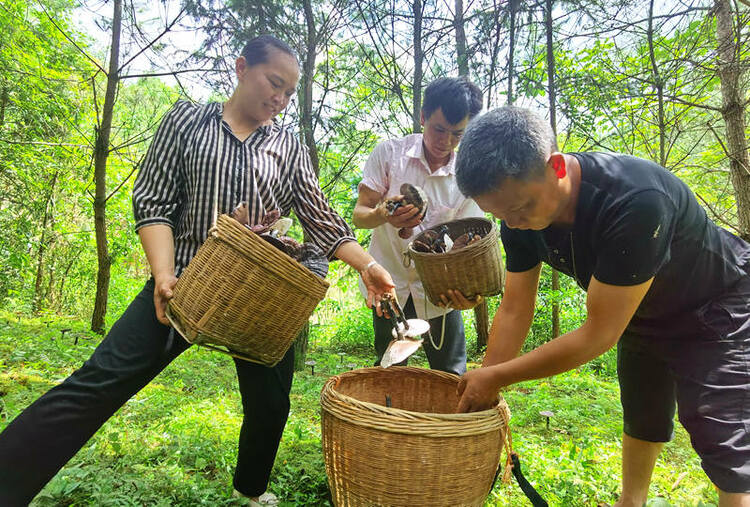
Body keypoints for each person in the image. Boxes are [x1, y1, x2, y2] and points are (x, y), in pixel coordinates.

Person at [0, 35, 395, 507]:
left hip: (259, 295)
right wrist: (163, 274)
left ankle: (251, 489)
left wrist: (368, 265)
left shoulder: (287, 147)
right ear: (242, 67)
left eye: (290, 92)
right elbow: (153, 201)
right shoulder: (187, 121)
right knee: (96, 384)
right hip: (184, 284)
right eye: (275, 83)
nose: (281, 99)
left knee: (271, 404)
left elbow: (322, 218)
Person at [453, 106, 750, 507]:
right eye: (500, 214)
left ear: (556, 166)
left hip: (716, 302)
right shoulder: (515, 218)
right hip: (641, 308)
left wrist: (497, 378)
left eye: (521, 208)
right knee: (642, 408)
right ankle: (631, 502)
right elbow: (514, 308)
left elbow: (597, 334)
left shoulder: (635, 200)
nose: (514, 222)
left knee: (721, 430)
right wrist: (486, 381)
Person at [353, 77, 485, 376]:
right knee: (390, 369)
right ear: (423, 117)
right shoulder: (390, 154)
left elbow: (470, 242)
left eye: (457, 134)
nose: (446, 141)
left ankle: (448, 424)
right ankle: (393, 421)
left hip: (440, 291)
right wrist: (383, 214)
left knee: (452, 372)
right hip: (389, 286)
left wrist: (470, 289)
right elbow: (360, 216)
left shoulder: (468, 174)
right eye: (438, 129)